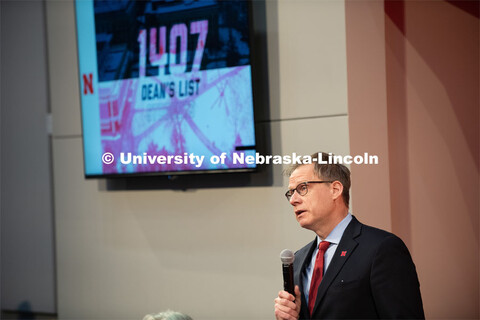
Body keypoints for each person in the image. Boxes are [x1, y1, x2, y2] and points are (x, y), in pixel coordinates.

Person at [274, 152, 424, 320]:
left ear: (335, 189)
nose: (293, 200)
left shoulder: (381, 249)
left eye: (302, 188)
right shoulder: (299, 258)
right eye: (291, 193)